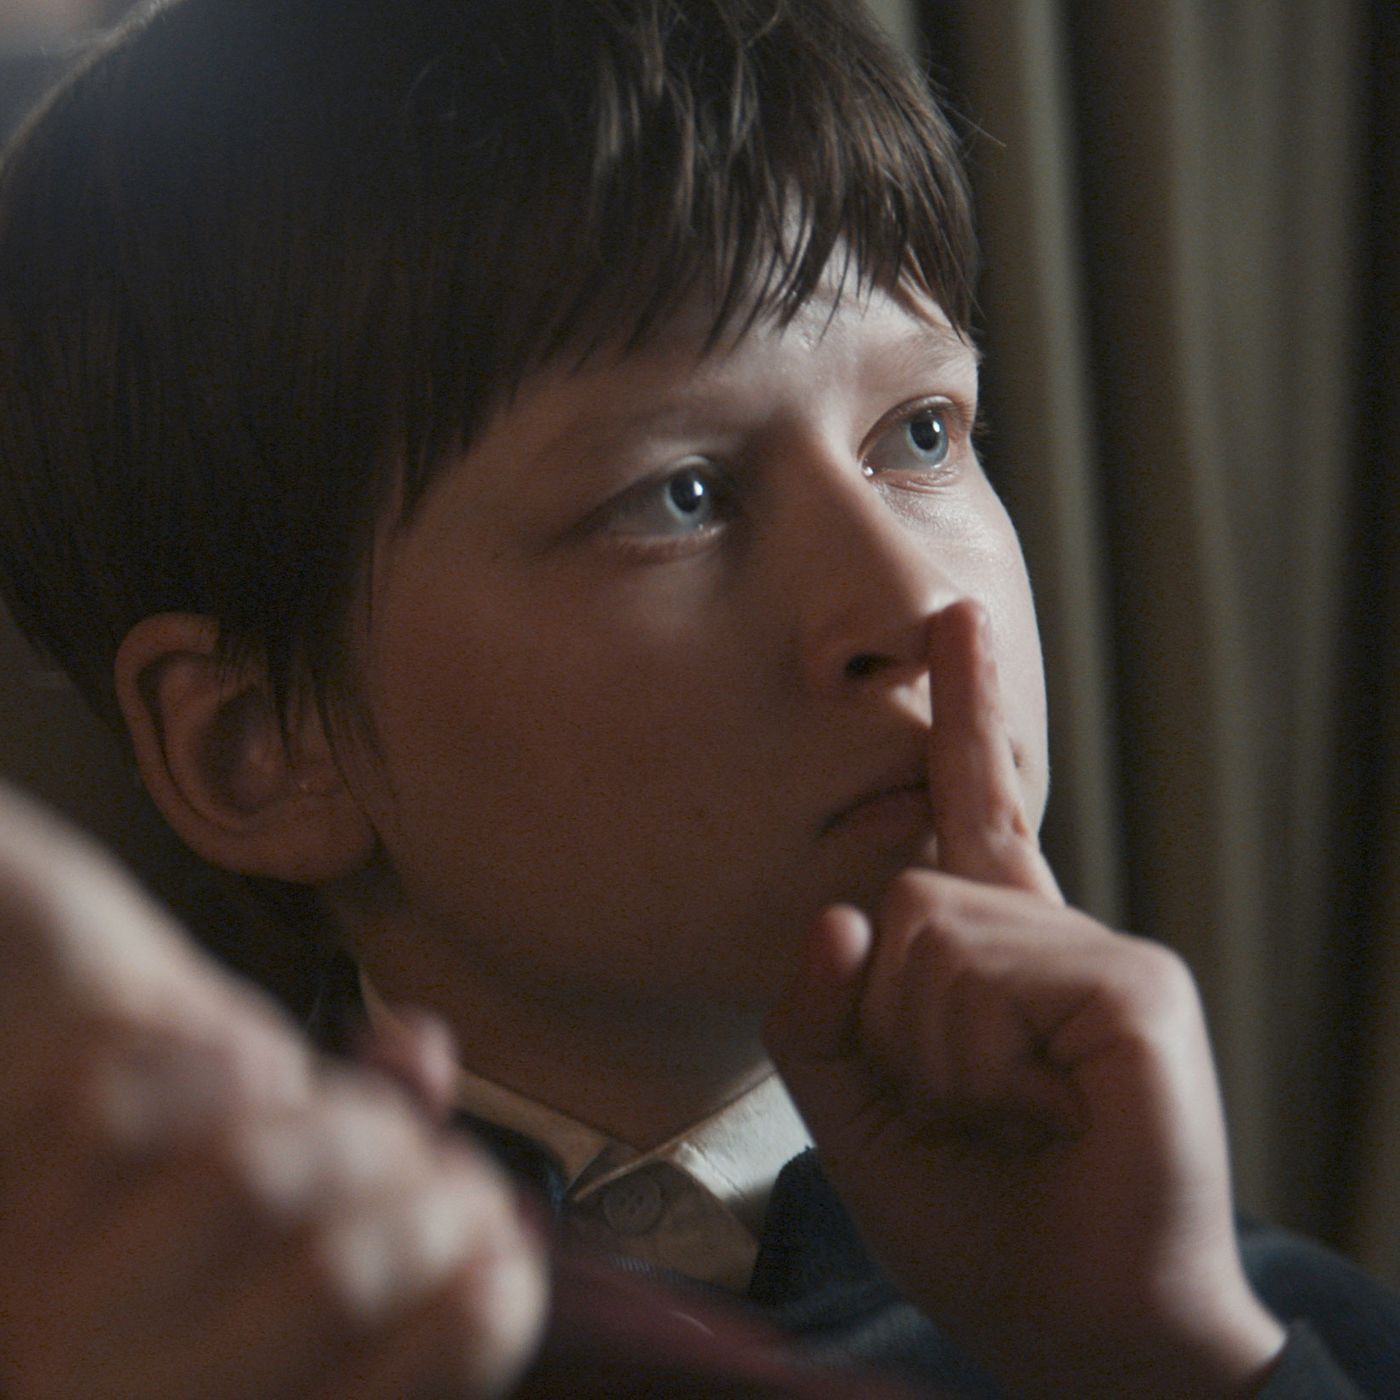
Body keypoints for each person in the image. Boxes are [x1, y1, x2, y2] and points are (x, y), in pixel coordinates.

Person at [0, 0, 1395, 1395]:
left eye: (921, 433)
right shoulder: (167, 1354)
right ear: (258, 748)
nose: (905, 608)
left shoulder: (1244, 1334)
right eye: (681, 495)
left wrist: (1164, 1356)